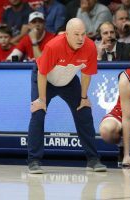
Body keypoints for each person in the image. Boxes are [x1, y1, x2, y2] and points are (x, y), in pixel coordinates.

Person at [27, 18, 107, 174]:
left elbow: (86, 73)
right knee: (38, 112)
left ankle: (93, 159)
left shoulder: (90, 46)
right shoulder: (53, 46)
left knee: (84, 112)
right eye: (76, 34)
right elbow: (42, 73)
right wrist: (41, 100)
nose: (80, 38)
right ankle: (34, 161)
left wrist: (84, 98)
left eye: (83, 34)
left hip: (69, 81)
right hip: (45, 79)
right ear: (66, 34)